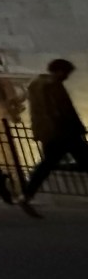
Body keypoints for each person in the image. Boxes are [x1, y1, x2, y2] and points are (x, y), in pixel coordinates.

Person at [18, 58, 88, 218]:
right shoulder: (52, 85)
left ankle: (25, 195)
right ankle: (25, 195)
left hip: (48, 132)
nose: (67, 77)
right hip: (63, 131)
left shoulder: (36, 84)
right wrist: (78, 128)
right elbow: (63, 110)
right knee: (82, 160)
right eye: (67, 73)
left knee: (47, 165)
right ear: (60, 71)